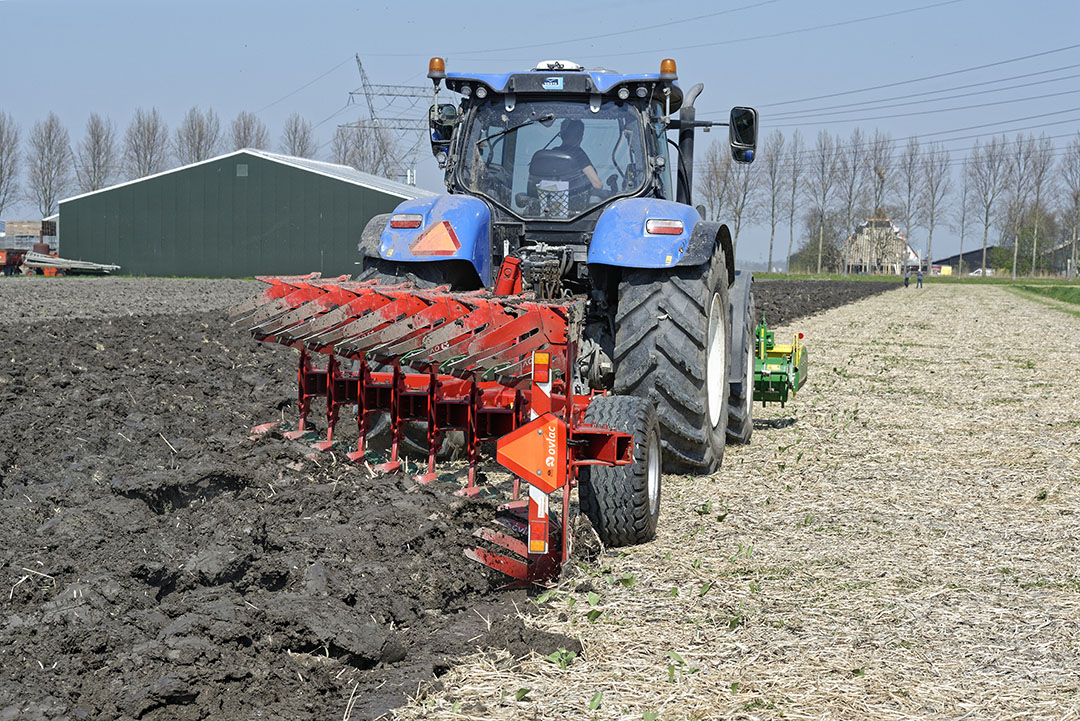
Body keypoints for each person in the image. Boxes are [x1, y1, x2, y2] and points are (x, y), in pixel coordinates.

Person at [556, 119, 603, 192]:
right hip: (576, 201)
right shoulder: (578, 154)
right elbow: (597, 184)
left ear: (562, 135)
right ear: (580, 136)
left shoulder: (552, 153)